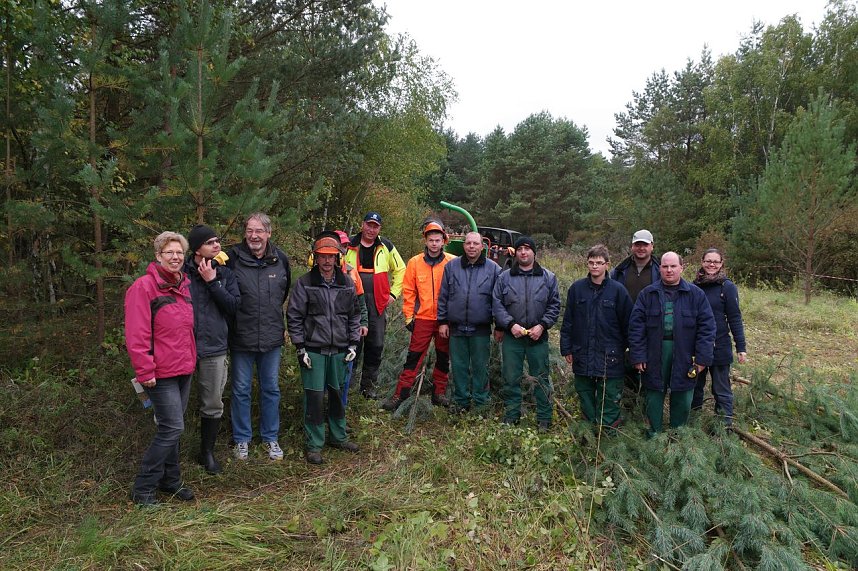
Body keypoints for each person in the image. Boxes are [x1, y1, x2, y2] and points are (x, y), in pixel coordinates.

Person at [124, 231, 196, 506]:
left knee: (175, 428)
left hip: (183, 369)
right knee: (171, 428)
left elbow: (185, 330)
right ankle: (143, 487)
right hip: (159, 374)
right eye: (170, 252)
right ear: (158, 256)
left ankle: (171, 480)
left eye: (179, 253)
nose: (176, 257)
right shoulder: (143, 287)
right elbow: (136, 334)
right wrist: (145, 371)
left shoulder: (183, 286)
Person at [287, 233, 362, 464]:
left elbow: (354, 315)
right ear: (316, 258)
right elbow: (294, 316)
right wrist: (300, 348)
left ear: (338, 258)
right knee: (315, 397)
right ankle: (314, 444)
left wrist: (353, 343)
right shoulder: (305, 284)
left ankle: (338, 437)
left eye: (331, 257)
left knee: (338, 395)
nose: (327, 261)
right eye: (323, 256)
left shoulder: (347, 283)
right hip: (314, 350)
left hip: (340, 350)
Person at [629, 252, 716, 436]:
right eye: (665, 266)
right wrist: (638, 355)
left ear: (681, 268)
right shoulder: (648, 294)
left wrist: (702, 359)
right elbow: (636, 328)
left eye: (673, 266)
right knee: (653, 393)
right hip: (654, 352)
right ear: (659, 268)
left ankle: (678, 435)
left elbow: (707, 328)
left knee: (683, 394)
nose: (669, 270)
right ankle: (654, 435)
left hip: (685, 352)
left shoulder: (696, 295)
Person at [227, 212, 291, 461]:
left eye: (259, 231)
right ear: (245, 233)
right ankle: (242, 439)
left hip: (272, 336)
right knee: (241, 389)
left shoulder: (280, 259)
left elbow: (282, 295)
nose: (254, 236)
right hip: (241, 335)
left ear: (269, 233)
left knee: (271, 389)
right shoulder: (232, 258)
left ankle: (270, 438)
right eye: (250, 230)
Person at [183, 224, 240, 475]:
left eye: (218, 241)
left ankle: (206, 452)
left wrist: (212, 282)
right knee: (176, 404)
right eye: (211, 242)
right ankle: (170, 454)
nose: (217, 246)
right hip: (182, 348)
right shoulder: (180, 273)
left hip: (214, 346)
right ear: (197, 249)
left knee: (213, 402)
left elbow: (233, 306)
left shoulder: (225, 273)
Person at [382, 221, 456, 411]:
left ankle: (439, 393)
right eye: (430, 240)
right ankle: (401, 393)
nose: (434, 244)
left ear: (443, 241)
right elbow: (408, 291)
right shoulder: (415, 262)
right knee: (413, 357)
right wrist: (409, 317)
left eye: (437, 240)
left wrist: (451, 318)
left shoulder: (452, 262)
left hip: (444, 320)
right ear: (425, 240)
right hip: (422, 318)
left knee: (443, 356)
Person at [559, 245, 633, 430]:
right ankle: (589, 436)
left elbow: (629, 325)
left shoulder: (618, 291)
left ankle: (607, 438)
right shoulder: (577, 289)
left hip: (611, 357)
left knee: (609, 399)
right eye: (591, 263)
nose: (594, 267)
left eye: (599, 263)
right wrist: (566, 348)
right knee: (585, 396)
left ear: (607, 265)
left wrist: (628, 350)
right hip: (582, 354)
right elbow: (568, 321)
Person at [492, 236, 561, 429]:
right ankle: (512, 415)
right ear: (516, 253)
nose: (523, 252)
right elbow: (497, 305)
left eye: (527, 249)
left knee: (540, 377)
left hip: (537, 337)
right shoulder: (504, 277)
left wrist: (542, 326)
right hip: (513, 337)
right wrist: (509, 324)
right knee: (511, 377)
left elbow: (554, 305)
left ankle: (544, 418)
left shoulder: (548, 277)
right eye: (520, 249)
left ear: (534, 252)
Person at [437, 231, 502, 413]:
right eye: (468, 243)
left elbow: (498, 300)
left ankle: (481, 403)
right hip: (456, 328)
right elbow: (443, 296)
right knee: (459, 367)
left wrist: (500, 325)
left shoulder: (494, 269)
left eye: (475, 243)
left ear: (482, 246)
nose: (471, 247)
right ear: (463, 245)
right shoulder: (452, 267)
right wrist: (442, 321)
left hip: (480, 328)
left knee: (481, 368)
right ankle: (461, 403)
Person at [344, 212, 407, 399]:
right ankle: (348, 385)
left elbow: (401, 269)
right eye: (369, 225)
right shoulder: (349, 245)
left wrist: (394, 294)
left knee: (376, 344)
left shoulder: (386, 246)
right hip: (352, 303)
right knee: (352, 342)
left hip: (378, 302)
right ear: (362, 225)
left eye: (375, 226)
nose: (371, 229)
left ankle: (368, 387)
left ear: (379, 228)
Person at [691, 248, 748, 426]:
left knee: (721, 388)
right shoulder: (694, 286)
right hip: (697, 345)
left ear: (721, 263)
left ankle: (724, 427)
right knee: (694, 387)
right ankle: (692, 423)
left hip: (720, 345)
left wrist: (741, 347)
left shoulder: (727, 287)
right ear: (702, 262)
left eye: (716, 261)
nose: (712, 264)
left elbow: (735, 318)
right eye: (708, 261)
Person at [334, 230, 369, 411]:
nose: (344, 249)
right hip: (324, 332)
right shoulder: (318, 271)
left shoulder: (352, 272)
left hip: (348, 330)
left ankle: (340, 411)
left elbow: (361, 302)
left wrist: (363, 323)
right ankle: (324, 411)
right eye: (341, 245)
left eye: (346, 246)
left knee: (346, 371)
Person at [611, 229, 660, 303]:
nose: (641, 248)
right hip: (625, 314)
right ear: (632, 246)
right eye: (637, 245)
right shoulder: (618, 272)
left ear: (652, 246)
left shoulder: (661, 272)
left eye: (645, 245)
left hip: (650, 314)